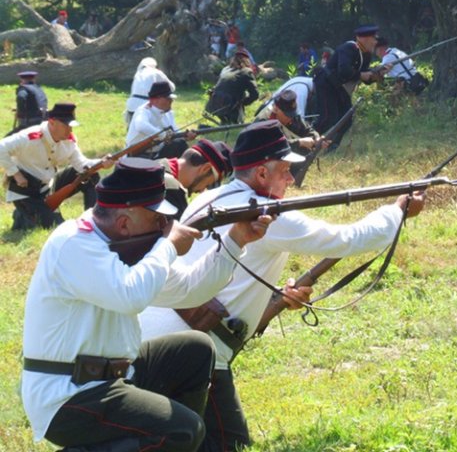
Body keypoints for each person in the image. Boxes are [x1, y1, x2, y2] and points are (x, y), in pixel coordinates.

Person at [139, 120, 426, 452]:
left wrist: (275, 298)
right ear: (262, 174)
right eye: (285, 170)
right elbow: (349, 239)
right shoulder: (268, 215)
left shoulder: (212, 197)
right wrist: (397, 210)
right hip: (197, 347)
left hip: (160, 337)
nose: (291, 179)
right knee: (225, 444)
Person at [21, 157, 273, 452]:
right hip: (68, 396)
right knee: (183, 430)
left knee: (196, 349)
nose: (165, 225)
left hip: (110, 377)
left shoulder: (124, 243)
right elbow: (130, 296)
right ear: (125, 222)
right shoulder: (74, 243)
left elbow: (190, 290)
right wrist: (165, 248)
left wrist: (235, 241)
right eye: (157, 218)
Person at [0, 103, 114, 231]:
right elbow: (1, 148)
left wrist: (101, 163)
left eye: (71, 126)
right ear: (52, 122)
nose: (70, 130)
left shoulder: (69, 141)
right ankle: (24, 214)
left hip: (49, 186)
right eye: (66, 125)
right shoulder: (30, 137)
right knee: (57, 226)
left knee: (91, 174)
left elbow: (82, 165)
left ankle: (94, 220)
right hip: (27, 192)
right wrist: (15, 173)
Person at [313, 25, 388, 149]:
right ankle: (307, 144)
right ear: (364, 39)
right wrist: (361, 74)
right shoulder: (349, 48)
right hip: (326, 85)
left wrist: (377, 75)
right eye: (373, 38)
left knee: (347, 119)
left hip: (340, 88)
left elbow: (364, 77)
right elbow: (344, 71)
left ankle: (332, 147)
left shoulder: (366, 55)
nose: (376, 41)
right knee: (327, 119)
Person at [160, 139, 233, 219]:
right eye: (208, 185)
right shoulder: (171, 190)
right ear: (205, 168)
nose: (202, 190)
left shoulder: (157, 164)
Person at [126, 81, 196, 160]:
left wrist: (186, 137)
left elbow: (175, 133)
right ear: (155, 100)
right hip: (139, 156)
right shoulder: (143, 111)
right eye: (167, 98)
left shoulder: (168, 113)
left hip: (158, 153)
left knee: (180, 144)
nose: (171, 101)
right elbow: (141, 126)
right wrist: (162, 135)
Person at [254, 89, 323, 166]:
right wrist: (299, 142)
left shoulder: (292, 116)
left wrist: (316, 138)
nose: (290, 118)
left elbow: (307, 130)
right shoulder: (263, 122)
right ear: (276, 109)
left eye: (292, 114)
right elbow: (271, 147)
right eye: (287, 115)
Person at [204, 52, 260, 124]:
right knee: (241, 95)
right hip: (230, 105)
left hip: (213, 104)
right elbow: (255, 94)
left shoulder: (225, 69)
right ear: (247, 61)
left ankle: (225, 121)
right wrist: (244, 102)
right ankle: (234, 121)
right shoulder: (246, 71)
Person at [124, 57, 176, 126]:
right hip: (147, 105)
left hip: (131, 104)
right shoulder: (156, 72)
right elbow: (171, 87)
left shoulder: (137, 74)